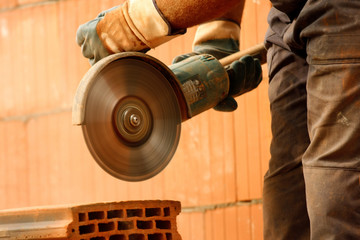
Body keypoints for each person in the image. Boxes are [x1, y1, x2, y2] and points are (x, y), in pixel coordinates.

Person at [76, 0, 360, 239]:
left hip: (344, 9)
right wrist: (217, 38)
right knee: (286, 191)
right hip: (288, 13)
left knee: (335, 185)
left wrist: (130, 25)